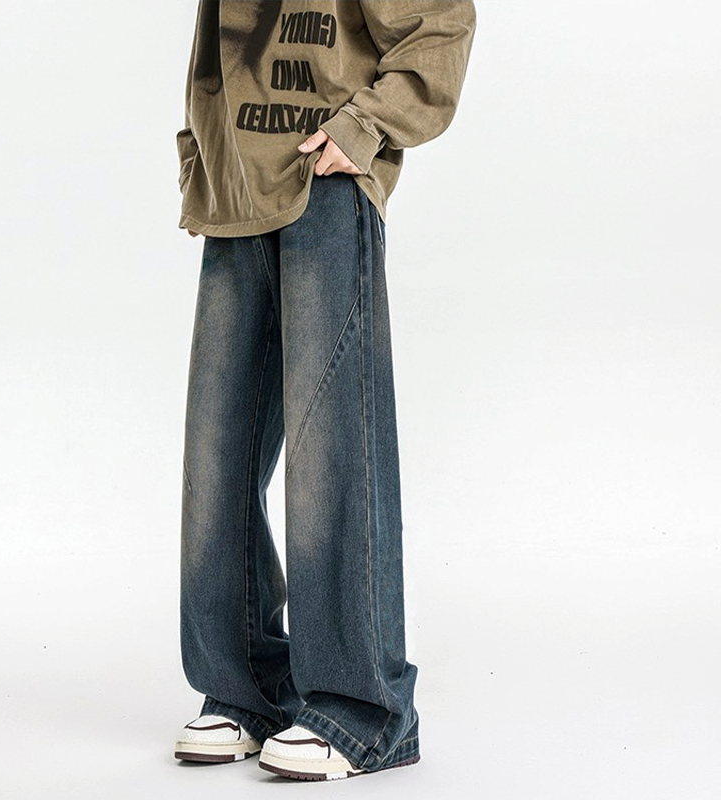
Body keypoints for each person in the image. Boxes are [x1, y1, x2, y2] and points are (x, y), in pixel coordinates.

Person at [172, 0, 476, 781]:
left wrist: (364, 127)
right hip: (236, 192)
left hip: (324, 184)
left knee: (332, 450)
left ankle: (362, 709)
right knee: (216, 455)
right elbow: (215, 50)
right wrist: (201, 159)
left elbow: (440, 23)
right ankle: (244, 688)